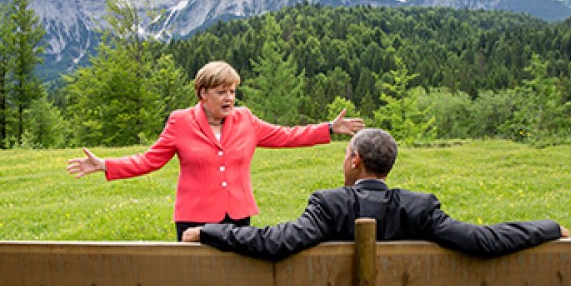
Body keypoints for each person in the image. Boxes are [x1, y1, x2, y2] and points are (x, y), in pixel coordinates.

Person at [67, 60, 365, 241]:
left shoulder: (246, 119)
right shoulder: (180, 122)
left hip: (237, 216)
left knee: (235, 281)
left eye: (232, 91)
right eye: (222, 91)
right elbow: (149, 160)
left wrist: (327, 128)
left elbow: (286, 135)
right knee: (195, 283)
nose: (229, 98)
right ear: (203, 93)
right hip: (194, 217)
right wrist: (106, 164)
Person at [181, 128, 570, 258]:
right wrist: (548, 227)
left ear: (354, 161)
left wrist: (210, 231)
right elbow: (484, 240)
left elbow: (275, 243)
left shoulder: (328, 205)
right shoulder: (420, 208)